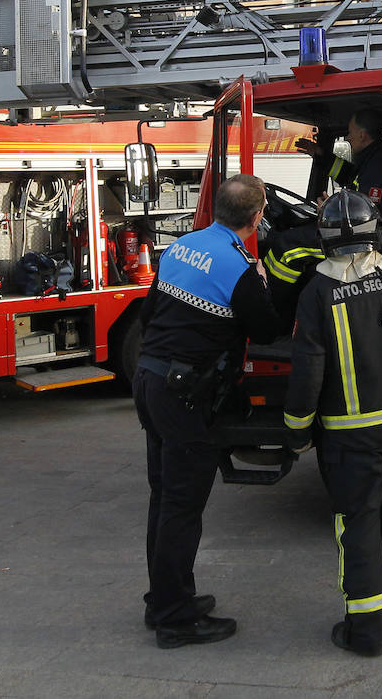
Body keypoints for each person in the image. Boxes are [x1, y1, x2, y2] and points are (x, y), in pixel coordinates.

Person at [284, 190, 382, 657]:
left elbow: (308, 368)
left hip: (352, 440)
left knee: (360, 527)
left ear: (324, 239)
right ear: (376, 231)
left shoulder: (318, 292)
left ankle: (368, 635)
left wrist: (296, 432)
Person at [134, 173, 281, 648]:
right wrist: (262, 282)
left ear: (217, 209)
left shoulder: (181, 247)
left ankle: (164, 600)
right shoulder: (241, 266)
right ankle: (176, 619)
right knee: (182, 504)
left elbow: (148, 314)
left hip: (150, 380)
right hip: (182, 393)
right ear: (256, 217)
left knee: (164, 496)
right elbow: (265, 330)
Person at [296, 108, 382, 246]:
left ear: (362, 135)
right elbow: (349, 175)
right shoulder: (372, 157)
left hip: (366, 243)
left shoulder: (378, 164)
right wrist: (320, 155)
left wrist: (331, 211)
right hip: (362, 239)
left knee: (288, 243)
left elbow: (366, 214)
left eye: (349, 132)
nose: (347, 137)